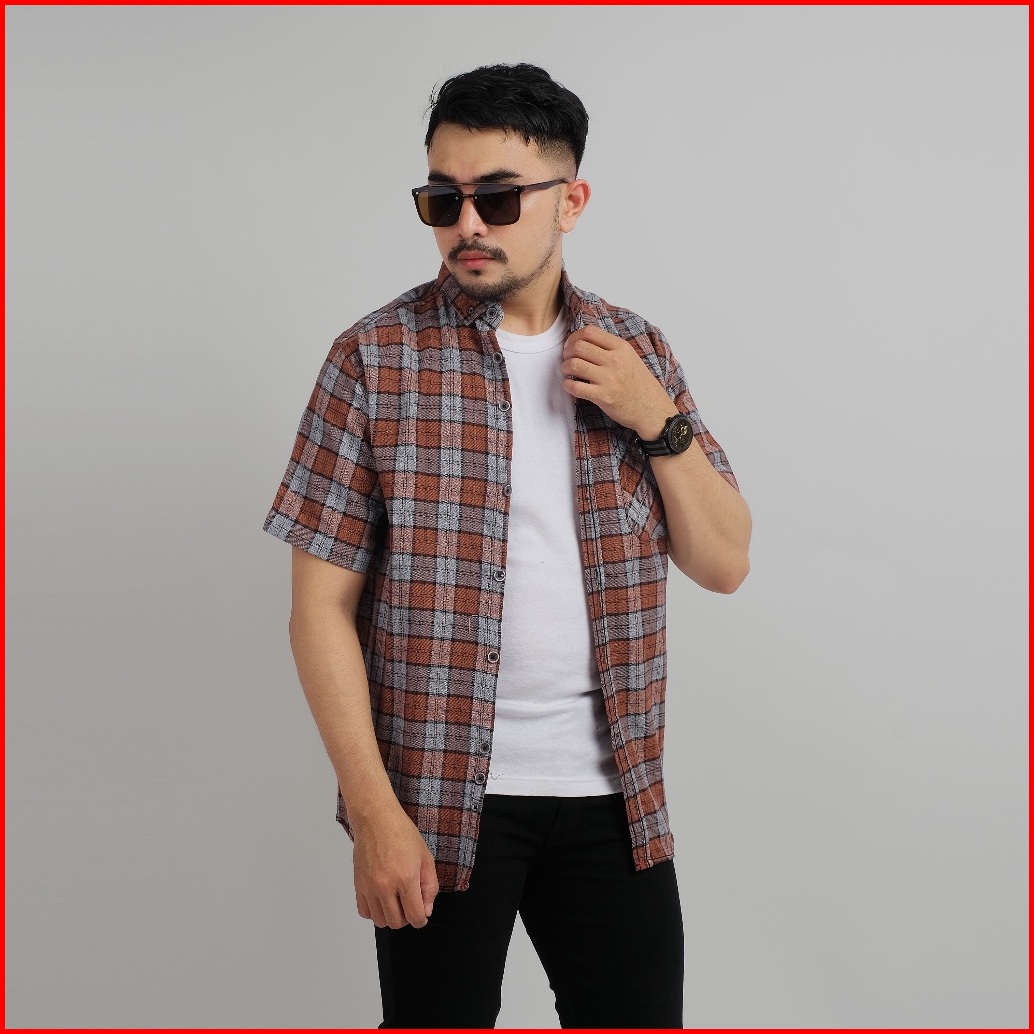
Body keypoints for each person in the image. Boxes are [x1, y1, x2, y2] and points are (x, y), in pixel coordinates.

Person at [263, 62, 752, 1030]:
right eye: (441, 199)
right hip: (440, 801)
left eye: (496, 196)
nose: (466, 225)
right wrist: (374, 812)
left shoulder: (637, 352)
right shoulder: (374, 358)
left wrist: (653, 416)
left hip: (614, 798)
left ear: (570, 201)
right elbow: (319, 609)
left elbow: (723, 562)